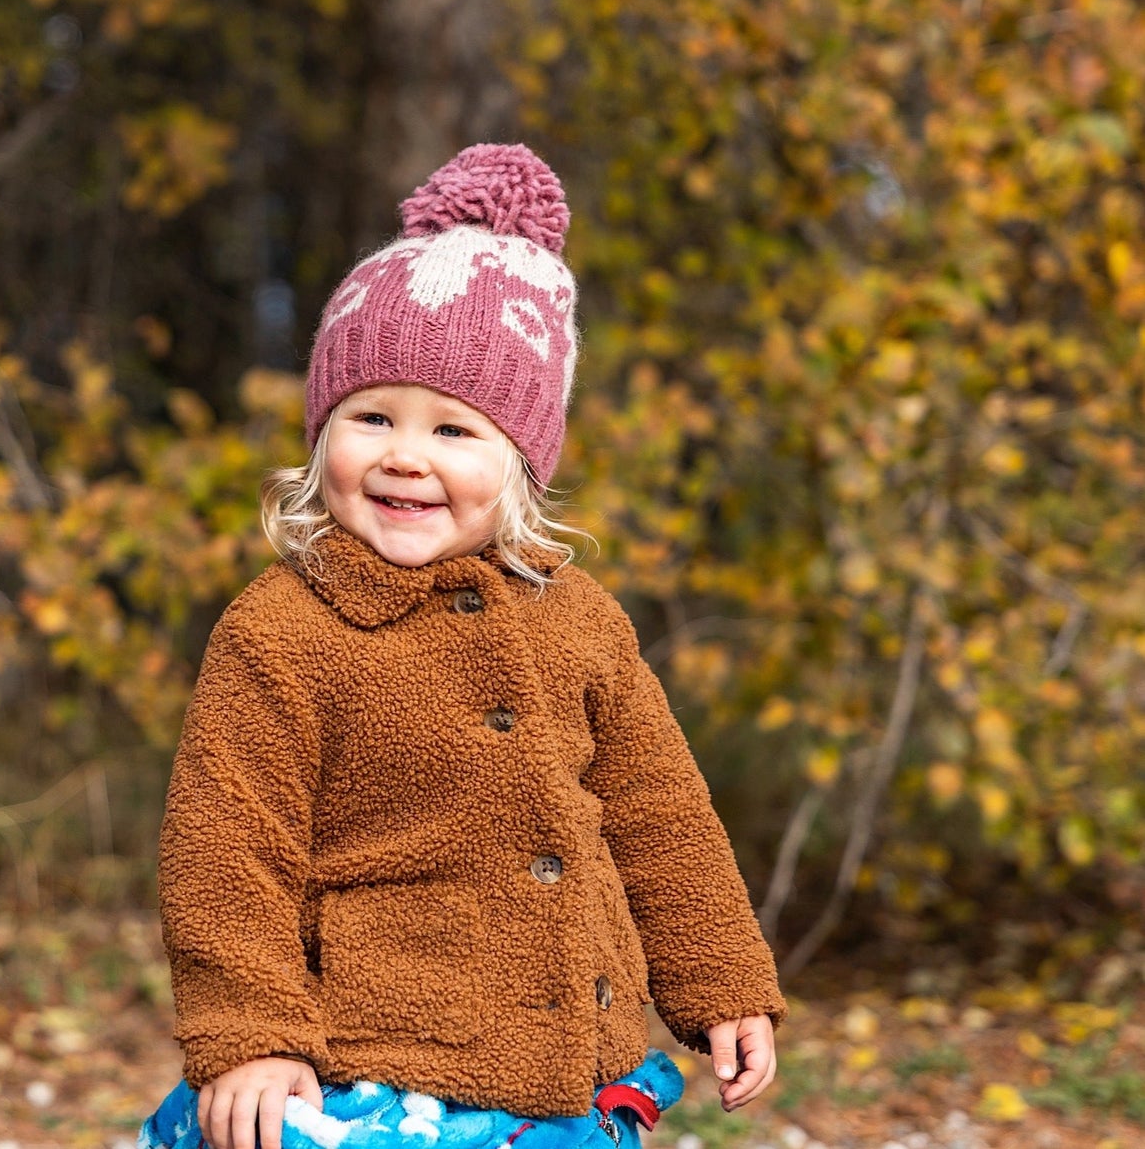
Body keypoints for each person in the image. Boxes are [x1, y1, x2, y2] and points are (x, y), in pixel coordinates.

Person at [139, 145, 786, 1149]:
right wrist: (251, 1037)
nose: (405, 455)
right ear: (321, 438)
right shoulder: (281, 631)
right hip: (372, 1074)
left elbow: (660, 814)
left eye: (453, 430)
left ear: (520, 463)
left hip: (573, 1068)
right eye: (371, 417)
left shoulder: (580, 622)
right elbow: (226, 850)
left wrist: (719, 982)